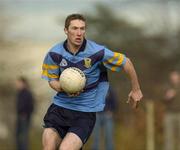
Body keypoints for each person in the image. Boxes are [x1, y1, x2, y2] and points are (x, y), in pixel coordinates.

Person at [41, 13, 143, 150]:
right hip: (59, 109)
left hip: (84, 113)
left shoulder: (97, 52)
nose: (79, 33)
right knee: (48, 145)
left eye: (82, 29)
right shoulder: (54, 53)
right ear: (66, 31)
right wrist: (64, 87)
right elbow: (52, 80)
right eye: (74, 28)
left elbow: (126, 62)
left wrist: (136, 89)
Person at [15, 76, 34, 150]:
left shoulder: (28, 93)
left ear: (24, 83)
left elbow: (31, 106)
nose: (17, 85)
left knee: (24, 136)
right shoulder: (19, 93)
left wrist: (26, 114)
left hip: (25, 118)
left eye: (19, 83)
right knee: (18, 135)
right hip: (19, 117)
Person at [163, 71, 180, 150]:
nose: (174, 78)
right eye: (172, 76)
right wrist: (167, 97)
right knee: (169, 136)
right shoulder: (167, 87)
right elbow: (162, 100)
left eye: (175, 76)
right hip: (169, 114)